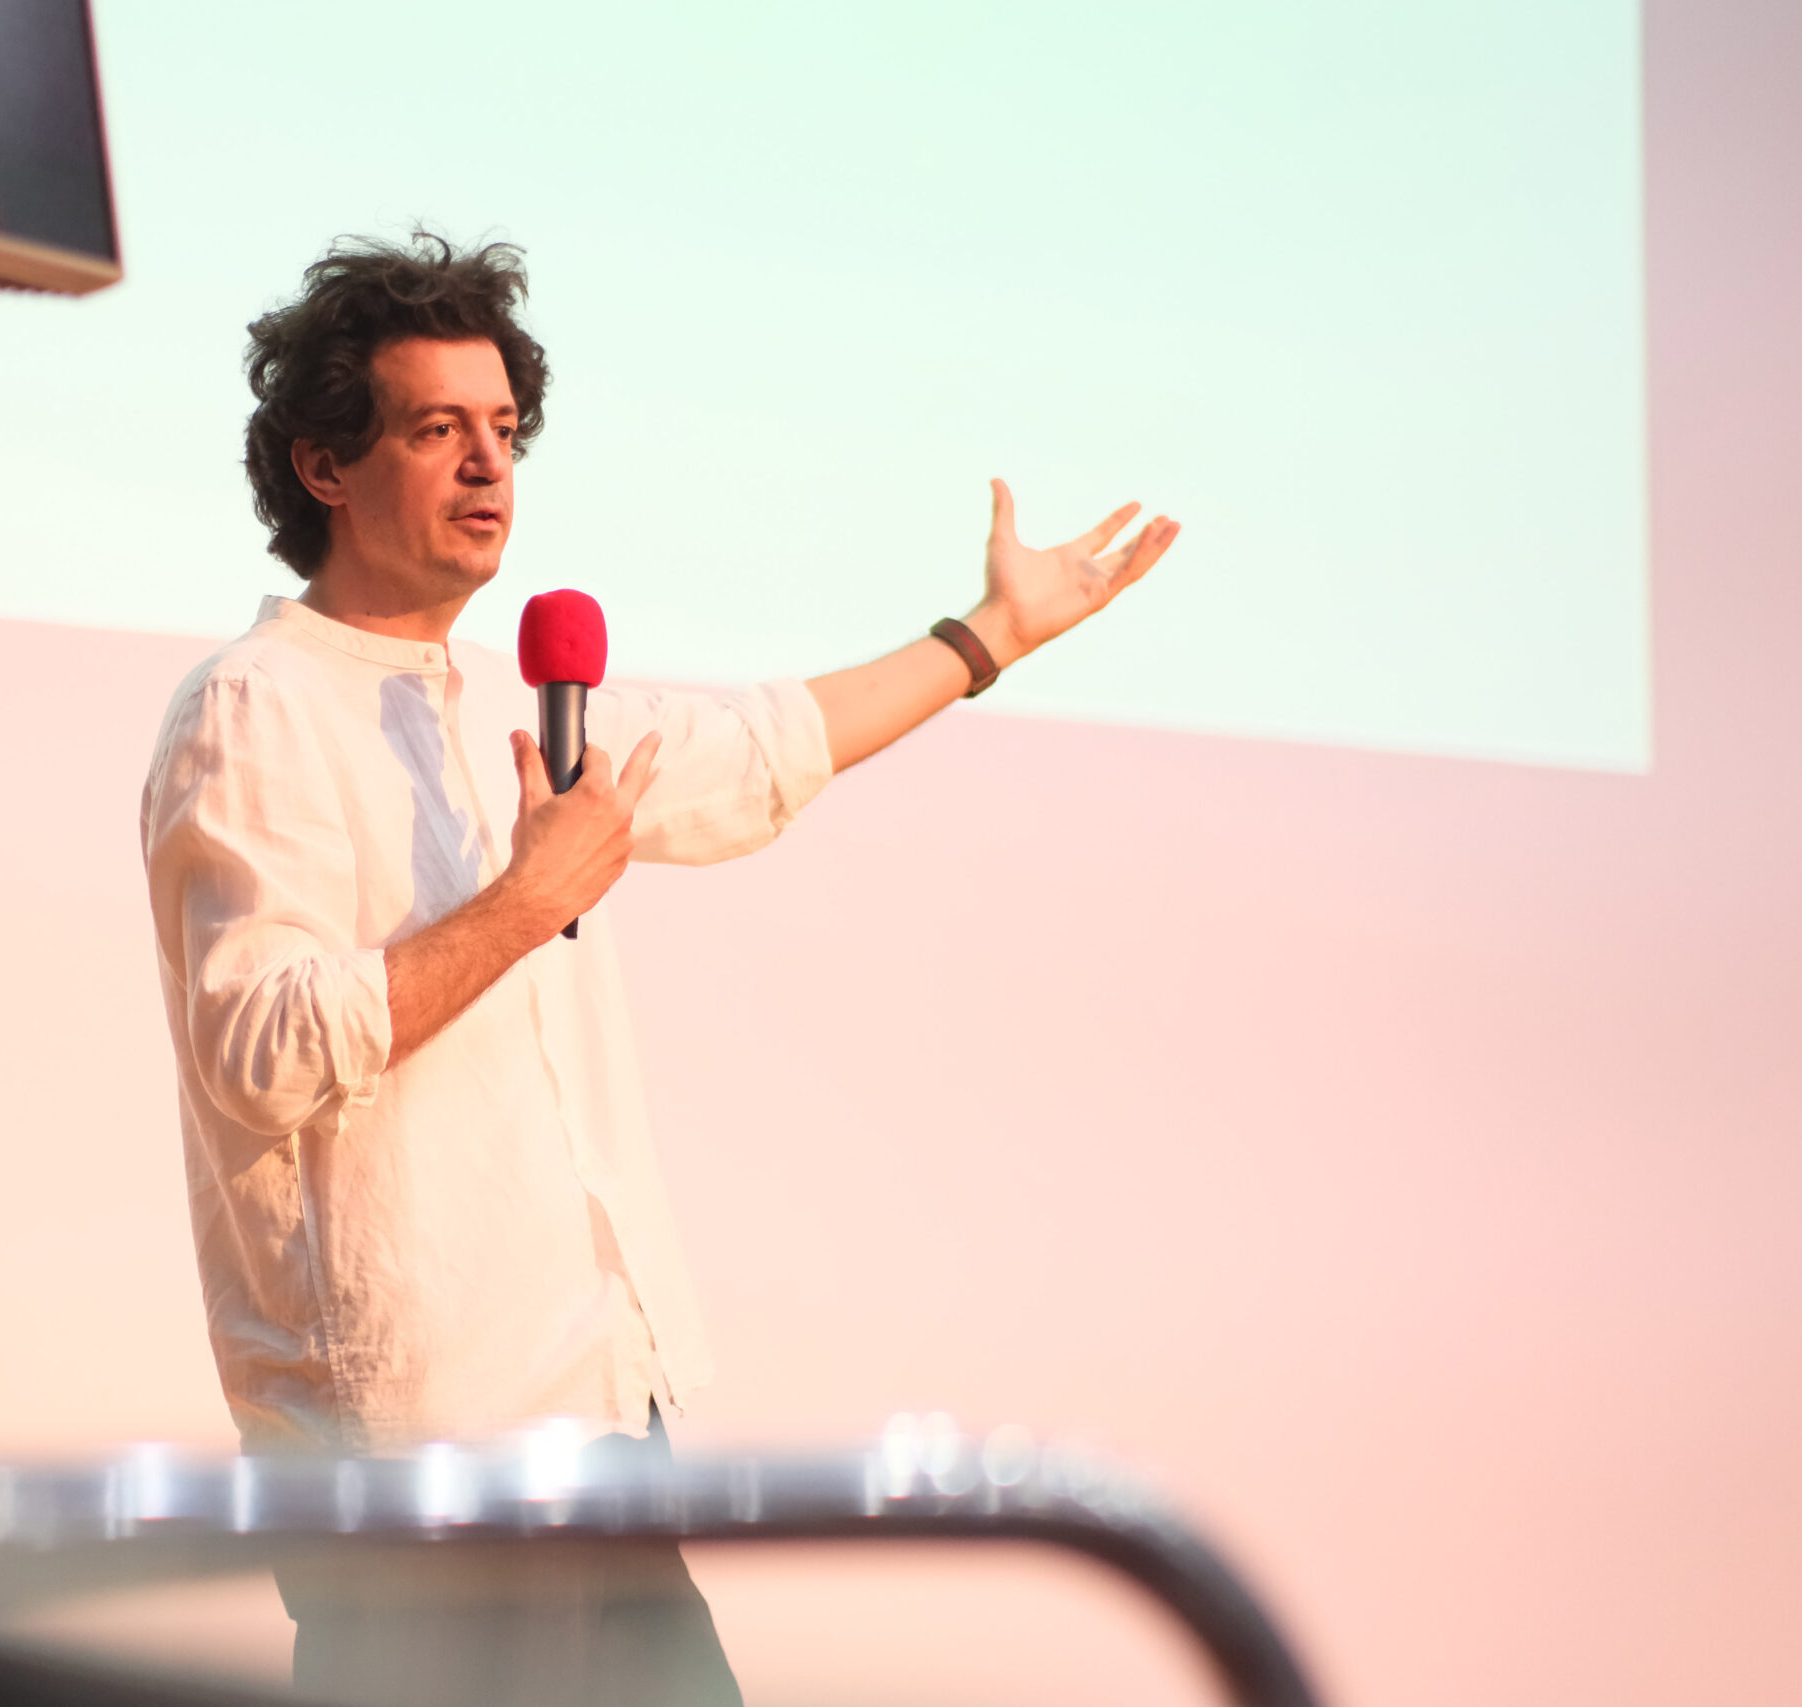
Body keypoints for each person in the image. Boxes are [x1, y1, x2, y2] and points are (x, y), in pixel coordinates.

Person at [138, 233, 1177, 1703]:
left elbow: (759, 751)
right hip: (423, 1469)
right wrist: (526, 902)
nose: (488, 467)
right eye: (436, 431)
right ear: (325, 465)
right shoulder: (254, 709)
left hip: (604, 1423)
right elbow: (261, 1052)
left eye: (505, 430)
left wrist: (988, 634)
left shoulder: (520, 701)